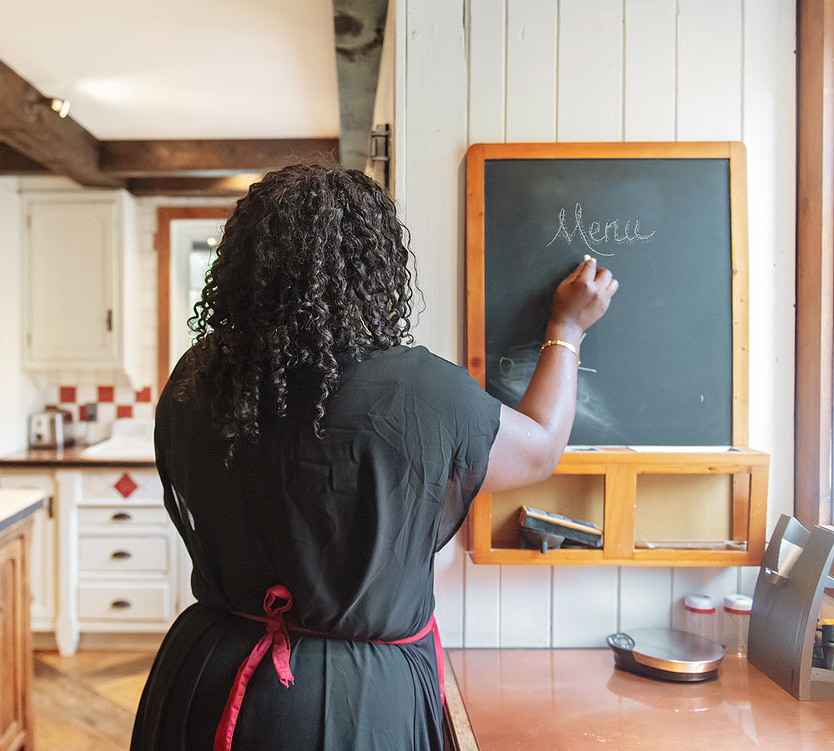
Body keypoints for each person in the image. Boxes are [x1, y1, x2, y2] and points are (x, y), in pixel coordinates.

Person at [131, 164, 617, 751]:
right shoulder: (422, 394)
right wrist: (567, 328)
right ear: (376, 269)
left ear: (243, 272)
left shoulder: (196, 377)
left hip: (203, 676)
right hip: (351, 702)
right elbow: (540, 449)